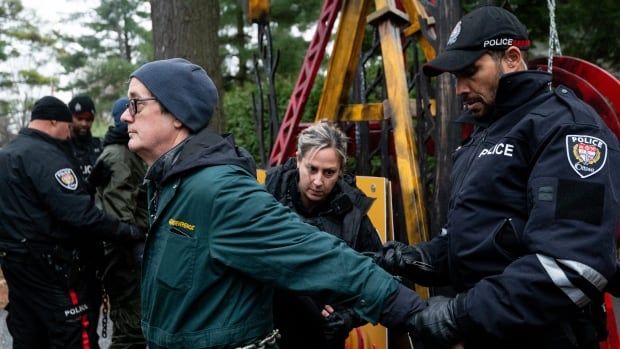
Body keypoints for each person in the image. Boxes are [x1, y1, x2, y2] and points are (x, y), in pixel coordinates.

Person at [120, 57, 427, 348]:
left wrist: (411, 312)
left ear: (177, 114)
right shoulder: (171, 184)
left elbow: (316, 255)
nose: (125, 115)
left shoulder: (218, 190)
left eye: (136, 103)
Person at [372, 6, 620, 349]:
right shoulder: (482, 135)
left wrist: (458, 315)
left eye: (469, 71)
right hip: (485, 331)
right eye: (454, 77)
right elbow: (476, 239)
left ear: (512, 58)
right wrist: (417, 259)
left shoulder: (568, 129)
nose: (459, 88)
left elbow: (573, 264)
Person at [0, 96, 145, 349]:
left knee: (28, 336)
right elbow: (81, 216)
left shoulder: (7, 154)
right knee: (75, 336)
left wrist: (89, 185)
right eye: (68, 126)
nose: (69, 134)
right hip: (56, 271)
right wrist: (127, 232)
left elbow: (41, 203)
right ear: (55, 121)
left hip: (18, 267)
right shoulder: (47, 156)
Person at [265, 122, 383, 348]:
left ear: (341, 170)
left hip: (322, 338)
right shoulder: (266, 202)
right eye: (312, 169)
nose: (318, 181)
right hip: (268, 333)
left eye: (329, 172)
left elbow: (377, 281)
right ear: (298, 159)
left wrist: (348, 317)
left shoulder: (353, 219)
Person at [90, 97, 148, 348]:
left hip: (126, 249)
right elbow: (119, 215)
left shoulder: (127, 151)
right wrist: (137, 240)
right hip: (123, 253)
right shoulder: (119, 156)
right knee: (130, 328)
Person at [69, 94, 103, 181]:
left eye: (88, 120)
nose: (84, 124)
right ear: (70, 118)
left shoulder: (100, 145)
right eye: (79, 119)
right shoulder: (61, 147)